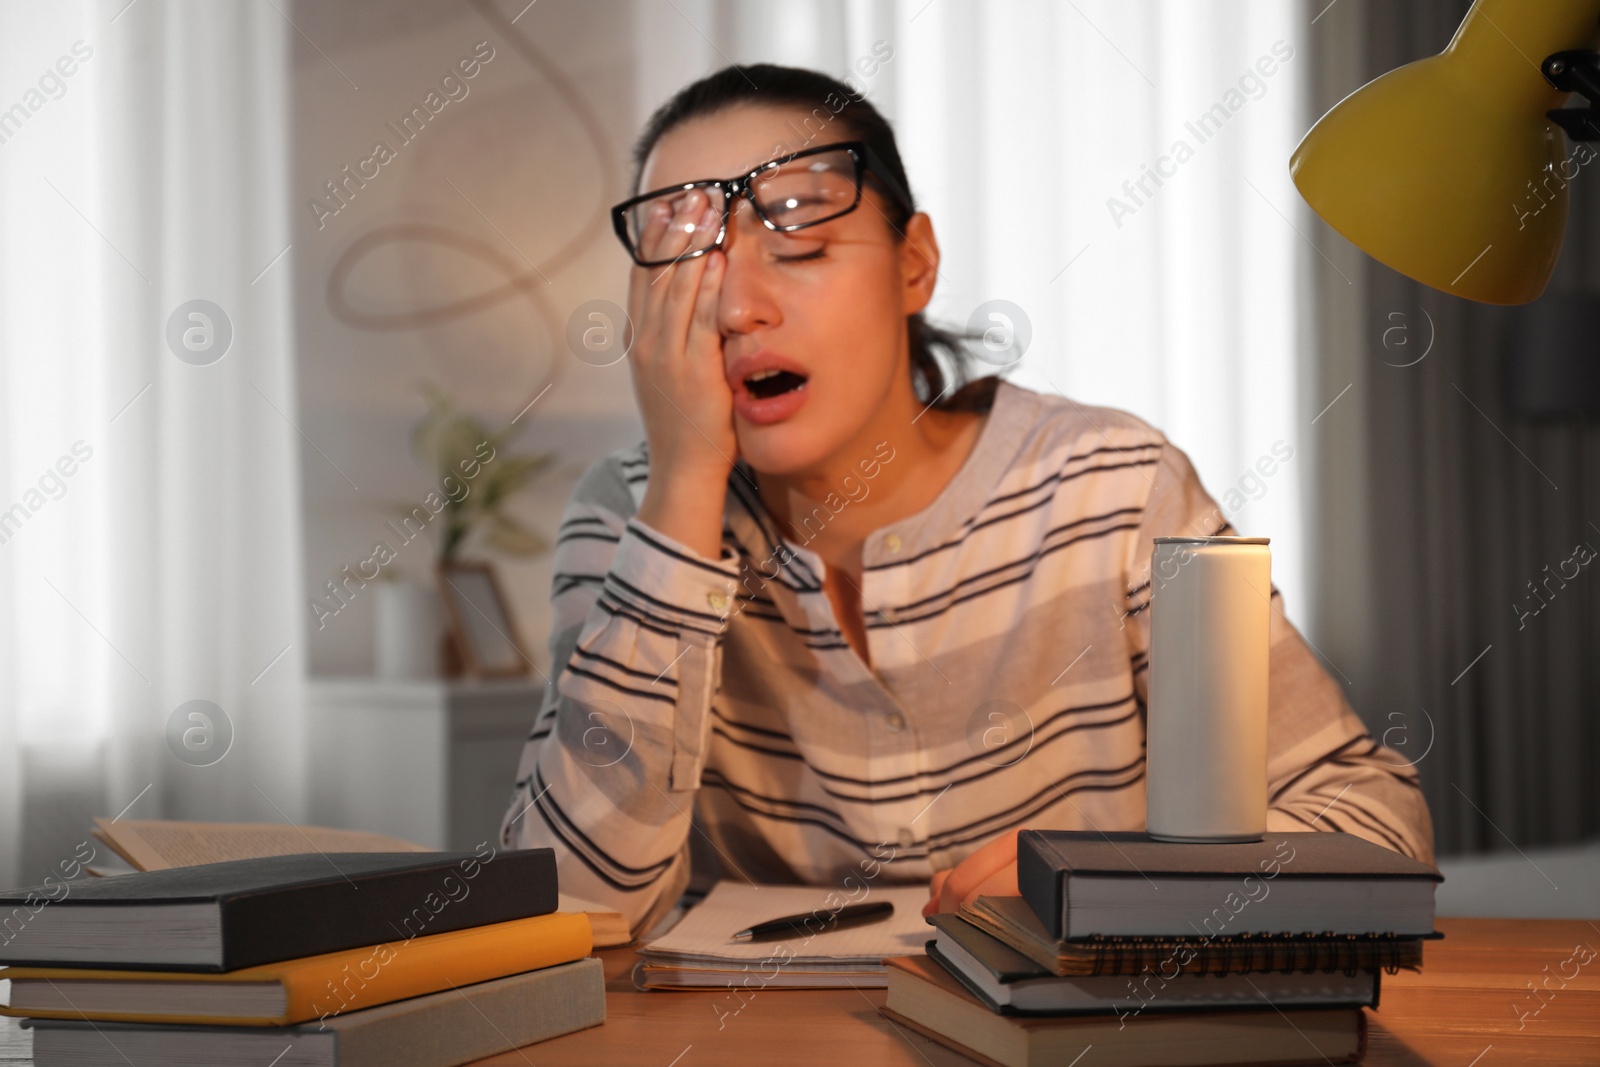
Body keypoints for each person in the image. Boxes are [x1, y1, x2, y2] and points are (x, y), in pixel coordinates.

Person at [498, 62, 1434, 937]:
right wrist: (685, 484)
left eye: (803, 243)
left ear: (915, 265)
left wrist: (1113, 878)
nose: (739, 307)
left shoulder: (1109, 486)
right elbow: (577, 907)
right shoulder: (633, 513)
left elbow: (1375, 828)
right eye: (690, 268)